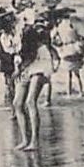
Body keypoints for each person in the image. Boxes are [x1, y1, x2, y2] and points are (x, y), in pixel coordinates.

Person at [11, 10, 59, 150]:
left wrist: (18, 69)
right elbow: (17, 52)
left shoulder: (27, 32)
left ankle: (34, 141)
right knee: (17, 103)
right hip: (26, 63)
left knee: (30, 101)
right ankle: (25, 140)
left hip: (39, 60)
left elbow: (31, 52)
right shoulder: (8, 35)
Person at [50, 9, 84, 96]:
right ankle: (81, 92)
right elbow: (80, 35)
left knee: (68, 74)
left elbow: (52, 38)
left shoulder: (59, 26)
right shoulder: (73, 24)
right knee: (77, 73)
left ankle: (69, 93)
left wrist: (59, 43)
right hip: (75, 48)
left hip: (65, 49)